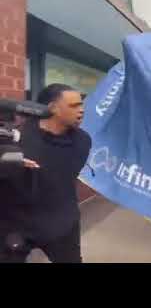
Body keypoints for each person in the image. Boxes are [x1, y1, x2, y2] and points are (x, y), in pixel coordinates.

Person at [0, 84, 92, 263]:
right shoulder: (17, 137)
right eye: (74, 106)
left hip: (61, 223)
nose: (81, 111)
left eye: (81, 105)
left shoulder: (83, 141)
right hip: (15, 225)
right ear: (52, 108)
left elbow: (66, 177)